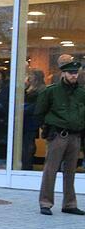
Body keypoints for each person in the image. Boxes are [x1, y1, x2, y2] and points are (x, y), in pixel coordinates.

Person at [36, 58, 85, 216]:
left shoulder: (81, 93)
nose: (73, 76)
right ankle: (45, 202)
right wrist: (46, 128)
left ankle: (69, 204)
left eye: (75, 73)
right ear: (63, 73)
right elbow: (39, 112)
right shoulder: (51, 91)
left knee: (70, 171)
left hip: (75, 135)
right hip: (58, 134)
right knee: (51, 169)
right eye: (70, 73)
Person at [21, 68, 47, 170]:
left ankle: (27, 165)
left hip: (31, 120)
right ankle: (25, 163)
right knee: (26, 143)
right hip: (26, 119)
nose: (29, 77)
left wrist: (22, 108)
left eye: (30, 75)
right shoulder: (30, 87)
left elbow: (37, 105)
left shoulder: (41, 89)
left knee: (28, 143)